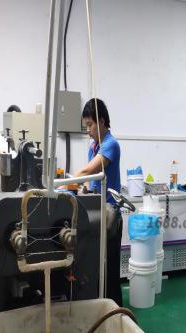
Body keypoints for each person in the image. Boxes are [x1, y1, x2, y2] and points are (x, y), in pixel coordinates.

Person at [74, 98, 123, 306]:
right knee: (94, 268)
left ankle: (116, 313)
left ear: (102, 121)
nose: (88, 131)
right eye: (86, 126)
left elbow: (88, 170)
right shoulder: (94, 146)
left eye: (90, 125)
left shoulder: (111, 145)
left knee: (109, 271)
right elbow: (89, 179)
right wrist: (81, 188)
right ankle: (98, 309)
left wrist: (66, 182)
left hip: (109, 216)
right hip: (96, 213)